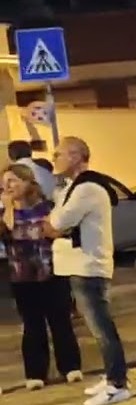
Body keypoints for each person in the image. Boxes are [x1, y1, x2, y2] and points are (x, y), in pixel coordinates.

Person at [43, 137, 131, 405]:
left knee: (102, 329)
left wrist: (55, 226)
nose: (54, 159)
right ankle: (112, 377)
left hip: (89, 267)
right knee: (98, 329)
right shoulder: (73, 187)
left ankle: (118, 384)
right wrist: (54, 224)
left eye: (59, 154)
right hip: (80, 265)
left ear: (75, 156)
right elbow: (53, 222)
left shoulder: (87, 188)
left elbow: (57, 222)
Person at [0, 164, 82, 390]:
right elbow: (5, 231)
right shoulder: (5, 212)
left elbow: (59, 231)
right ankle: (36, 373)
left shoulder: (47, 207)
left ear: (27, 182)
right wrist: (8, 208)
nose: (7, 186)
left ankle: (70, 366)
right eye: (4, 183)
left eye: (12, 180)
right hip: (22, 276)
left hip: (52, 271)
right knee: (32, 324)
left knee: (60, 320)